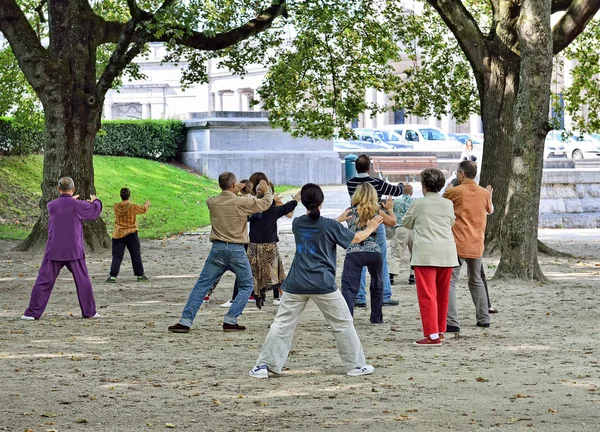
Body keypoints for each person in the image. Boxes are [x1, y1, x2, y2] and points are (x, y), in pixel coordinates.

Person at [249, 183, 382, 379]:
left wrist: (337, 220)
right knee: (342, 323)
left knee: (282, 324)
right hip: (323, 283)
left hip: (296, 283)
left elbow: (318, 229)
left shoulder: (298, 224)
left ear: (303, 202)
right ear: (322, 202)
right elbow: (356, 238)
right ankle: (355, 365)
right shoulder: (330, 225)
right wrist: (370, 227)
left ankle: (264, 366)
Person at [167, 172, 273, 333]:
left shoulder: (212, 202)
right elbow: (265, 204)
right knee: (246, 285)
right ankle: (231, 319)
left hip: (217, 249)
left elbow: (221, 199)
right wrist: (267, 190)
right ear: (233, 185)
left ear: (219, 185)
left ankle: (185, 321)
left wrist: (231, 191)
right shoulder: (241, 202)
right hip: (237, 249)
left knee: (202, 285)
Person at [22, 177, 103, 320]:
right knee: (82, 280)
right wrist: (95, 201)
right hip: (74, 250)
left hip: (54, 249)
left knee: (43, 281)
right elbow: (94, 211)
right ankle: (89, 312)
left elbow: (63, 205)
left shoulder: (51, 205)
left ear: (58, 189)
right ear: (73, 189)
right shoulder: (78, 205)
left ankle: (32, 313)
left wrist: (71, 200)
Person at [402, 169, 458, 346]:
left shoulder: (419, 204)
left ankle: (432, 335)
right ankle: (440, 330)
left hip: (425, 253)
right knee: (442, 295)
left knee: (427, 295)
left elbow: (406, 222)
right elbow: (451, 222)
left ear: (424, 185)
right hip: (447, 252)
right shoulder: (447, 204)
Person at [346, 154, 404, 308]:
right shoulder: (376, 183)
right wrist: (401, 186)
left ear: (356, 167)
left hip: (357, 223)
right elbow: (397, 191)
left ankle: (360, 297)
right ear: (369, 167)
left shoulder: (350, 183)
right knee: (380, 260)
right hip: (375, 221)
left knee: (358, 258)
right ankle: (384, 294)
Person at [443, 160, 493, 332]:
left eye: (457, 173)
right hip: (476, 242)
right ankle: (484, 318)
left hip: (458, 242)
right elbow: (490, 210)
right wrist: (488, 196)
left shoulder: (455, 192)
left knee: (450, 281)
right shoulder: (484, 193)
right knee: (476, 279)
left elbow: (441, 205)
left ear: (462, 174)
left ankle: (452, 322)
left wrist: (448, 188)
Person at [341, 183, 396, 324]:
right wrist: (390, 209)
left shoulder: (350, 211)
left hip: (354, 252)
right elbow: (393, 222)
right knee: (377, 284)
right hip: (374, 251)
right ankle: (376, 318)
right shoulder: (377, 211)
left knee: (349, 287)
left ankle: (347, 319)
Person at [105, 187, 150, 283]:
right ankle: (140, 275)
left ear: (121, 196)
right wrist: (147, 204)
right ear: (129, 196)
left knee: (117, 256)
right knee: (135, 255)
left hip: (118, 234)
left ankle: (113, 276)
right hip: (131, 233)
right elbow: (144, 210)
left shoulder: (116, 207)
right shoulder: (132, 206)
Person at [388, 184, 415, 285]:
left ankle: (391, 276)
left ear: (402, 192)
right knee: (415, 253)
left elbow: (391, 213)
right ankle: (412, 276)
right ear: (411, 193)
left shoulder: (396, 201)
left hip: (400, 228)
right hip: (413, 229)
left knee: (396, 253)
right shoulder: (415, 202)